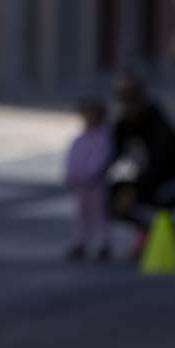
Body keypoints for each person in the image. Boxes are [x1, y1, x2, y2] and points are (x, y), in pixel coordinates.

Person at [107, 73, 175, 259]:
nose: (127, 105)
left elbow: (163, 163)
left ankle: (172, 237)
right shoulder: (123, 125)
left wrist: (134, 190)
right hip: (145, 181)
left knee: (160, 198)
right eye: (123, 99)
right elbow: (112, 155)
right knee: (112, 196)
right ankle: (147, 233)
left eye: (131, 99)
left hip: (173, 180)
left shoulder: (156, 122)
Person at [64, 98, 113, 262]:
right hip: (81, 183)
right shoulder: (80, 139)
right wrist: (72, 175)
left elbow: (100, 159)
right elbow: (72, 158)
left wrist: (90, 174)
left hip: (96, 183)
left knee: (99, 215)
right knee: (81, 215)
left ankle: (102, 245)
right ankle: (80, 243)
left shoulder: (102, 138)